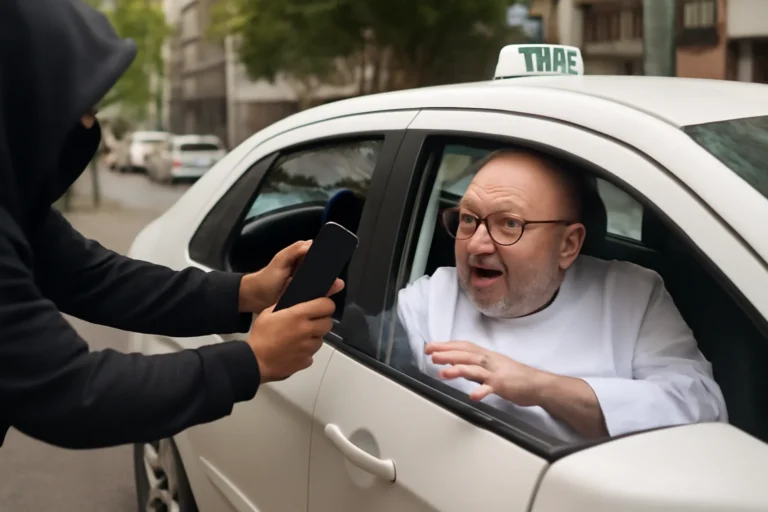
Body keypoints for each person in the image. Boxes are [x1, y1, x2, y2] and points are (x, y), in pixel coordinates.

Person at [0, 0, 342, 449]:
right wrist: (253, 360)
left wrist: (248, 291)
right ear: (24, 97)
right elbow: (69, 392)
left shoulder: (16, 209)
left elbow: (96, 279)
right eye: (82, 106)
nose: (89, 124)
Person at [388, 149, 727, 441]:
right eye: (468, 219)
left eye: (509, 224)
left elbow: (701, 411)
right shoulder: (430, 300)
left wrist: (540, 387)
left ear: (568, 245)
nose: (477, 244)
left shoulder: (632, 296)